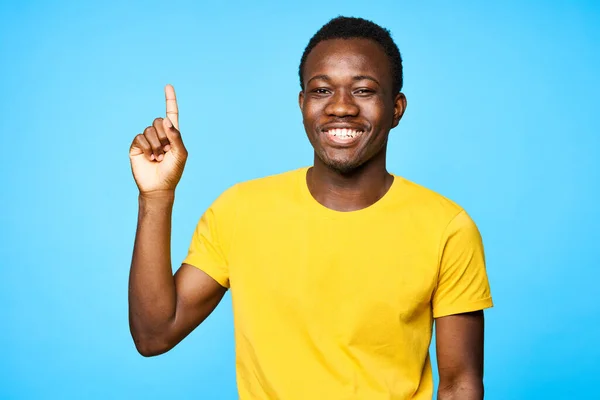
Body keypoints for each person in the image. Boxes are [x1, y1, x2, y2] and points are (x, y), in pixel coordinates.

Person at [128, 16, 493, 400]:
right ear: (302, 104)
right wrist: (155, 196)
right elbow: (155, 334)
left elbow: (459, 384)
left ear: (397, 108)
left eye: (364, 90)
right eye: (321, 91)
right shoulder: (240, 210)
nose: (341, 107)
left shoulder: (447, 227)